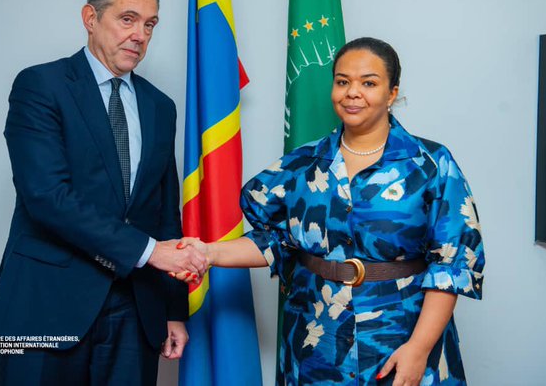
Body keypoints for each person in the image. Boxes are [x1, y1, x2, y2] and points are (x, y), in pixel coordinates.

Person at [177, 37, 485, 385]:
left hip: (401, 337)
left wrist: (418, 349)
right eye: (342, 81)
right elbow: (274, 241)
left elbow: (452, 266)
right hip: (315, 341)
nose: (352, 93)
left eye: (369, 83)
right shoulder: (302, 164)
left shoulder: (430, 164)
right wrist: (207, 253)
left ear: (392, 93)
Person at [0, 0, 207, 385]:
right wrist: (148, 251)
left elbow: (164, 215)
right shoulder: (40, 85)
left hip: (135, 310)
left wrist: (174, 310)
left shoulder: (161, 106)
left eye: (150, 24)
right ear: (91, 18)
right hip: (46, 305)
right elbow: (47, 196)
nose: (140, 35)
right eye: (128, 19)